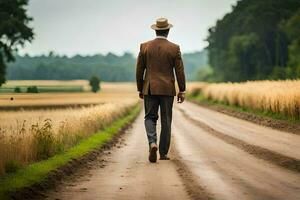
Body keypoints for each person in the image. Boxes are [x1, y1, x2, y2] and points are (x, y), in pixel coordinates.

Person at [136, 18, 186, 163]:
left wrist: (140, 88)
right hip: (167, 89)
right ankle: (163, 153)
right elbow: (179, 71)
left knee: (150, 117)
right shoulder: (174, 48)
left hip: (150, 88)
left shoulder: (144, 46)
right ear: (168, 31)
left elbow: (139, 70)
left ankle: (152, 143)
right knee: (166, 120)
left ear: (155, 30)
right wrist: (182, 89)